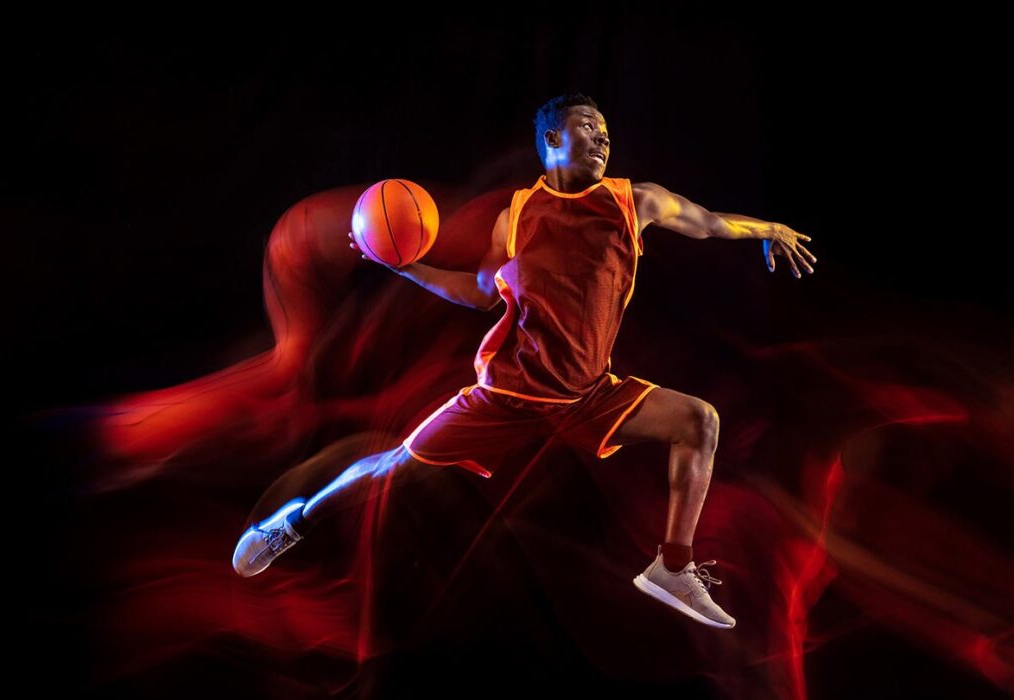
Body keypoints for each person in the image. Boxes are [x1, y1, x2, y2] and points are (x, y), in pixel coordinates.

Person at [232, 93, 817, 630]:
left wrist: (768, 228)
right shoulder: (517, 216)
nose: (603, 137)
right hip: (509, 392)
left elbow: (710, 223)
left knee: (699, 421)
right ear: (553, 139)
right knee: (393, 467)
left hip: (588, 393)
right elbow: (480, 293)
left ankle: (672, 567)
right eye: (588, 126)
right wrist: (405, 267)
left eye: (606, 131)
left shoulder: (634, 201)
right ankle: (292, 522)